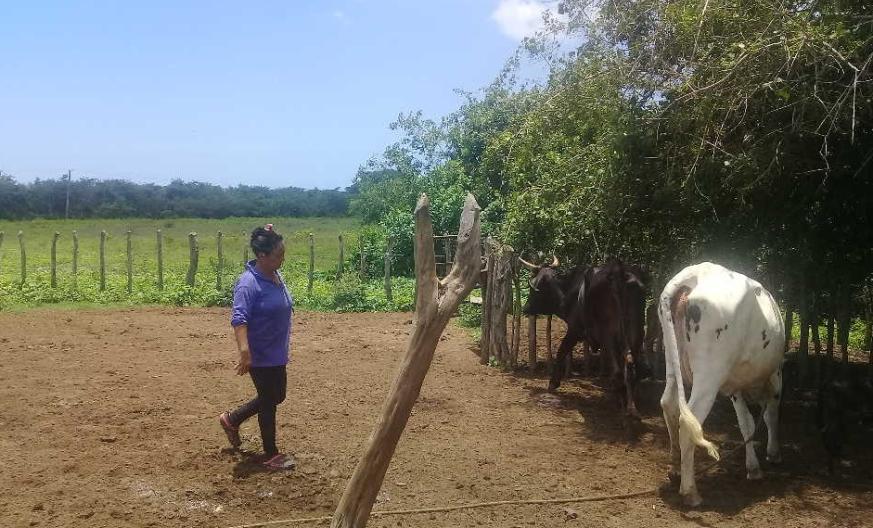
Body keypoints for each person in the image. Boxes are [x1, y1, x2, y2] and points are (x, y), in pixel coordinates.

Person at [219, 224, 294, 470]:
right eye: (278, 255)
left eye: (282, 254)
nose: (282, 259)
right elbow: (239, 319)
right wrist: (244, 351)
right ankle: (271, 454)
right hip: (259, 353)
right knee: (269, 401)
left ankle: (232, 419)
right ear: (262, 256)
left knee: (277, 395)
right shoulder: (247, 284)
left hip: (277, 351)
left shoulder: (274, 274)